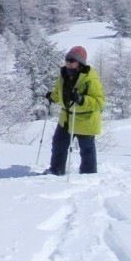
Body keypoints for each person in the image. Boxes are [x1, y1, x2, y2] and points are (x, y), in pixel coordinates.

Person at [43, 46, 105, 175]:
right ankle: (56, 171)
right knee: (59, 144)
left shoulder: (90, 78)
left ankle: (88, 174)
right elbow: (60, 92)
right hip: (66, 117)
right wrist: (52, 97)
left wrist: (81, 100)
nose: (69, 63)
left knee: (86, 149)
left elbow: (99, 102)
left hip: (85, 119)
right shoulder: (63, 74)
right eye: (67, 59)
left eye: (72, 60)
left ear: (80, 62)